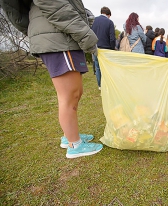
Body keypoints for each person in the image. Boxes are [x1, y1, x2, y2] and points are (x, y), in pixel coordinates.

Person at [0, 0, 103, 158]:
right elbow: (55, 6)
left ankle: (69, 136)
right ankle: (74, 145)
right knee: (69, 95)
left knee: (74, 92)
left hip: (59, 35)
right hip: (59, 37)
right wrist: (84, 34)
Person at [92, 6, 116, 90]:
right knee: (106, 67)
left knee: (97, 67)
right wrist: (113, 48)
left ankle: (100, 85)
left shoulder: (93, 21)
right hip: (106, 48)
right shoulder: (109, 22)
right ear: (109, 14)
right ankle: (107, 85)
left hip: (95, 47)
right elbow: (112, 38)